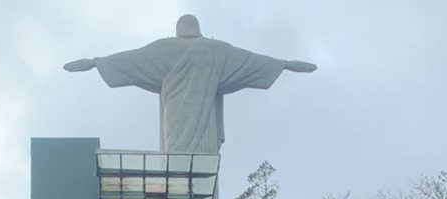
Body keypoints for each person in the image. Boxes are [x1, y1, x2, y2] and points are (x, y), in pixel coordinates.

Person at [64, 15, 316, 154]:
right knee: (193, 171)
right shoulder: (216, 50)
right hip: (205, 125)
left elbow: (131, 60)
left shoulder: (163, 49)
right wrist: (283, 64)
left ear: (178, 30)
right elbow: (250, 62)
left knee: (181, 167)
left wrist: (96, 62)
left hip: (175, 122)